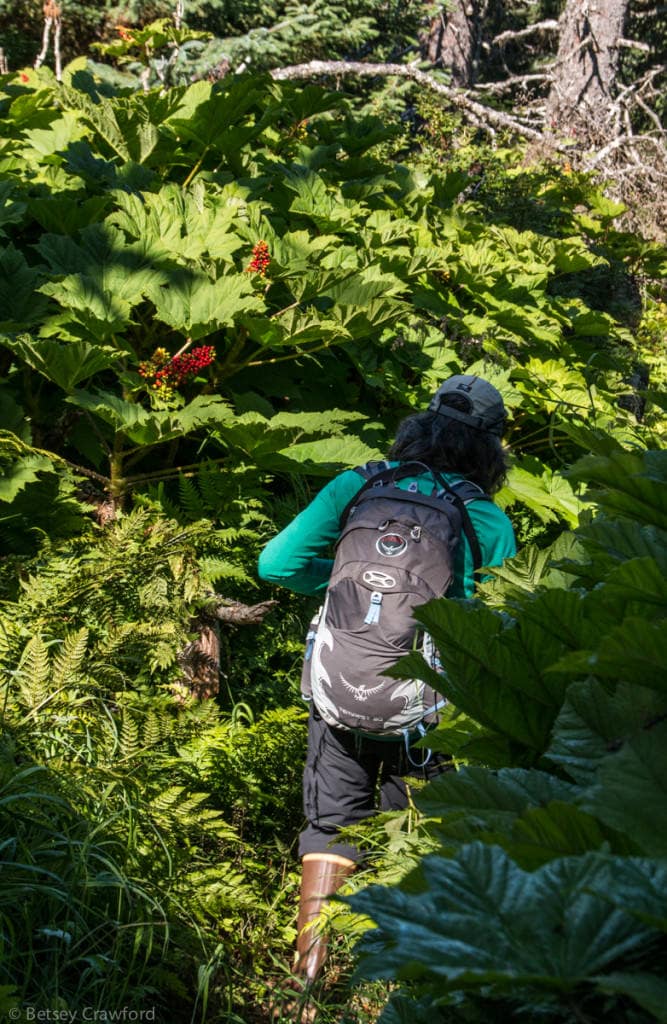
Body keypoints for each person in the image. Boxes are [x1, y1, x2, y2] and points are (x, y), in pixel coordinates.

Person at [258, 374, 516, 993]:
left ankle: (307, 987)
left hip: (341, 689)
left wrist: (345, 583)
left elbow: (275, 564)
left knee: (329, 825)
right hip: (429, 707)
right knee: (413, 836)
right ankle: (394, 991)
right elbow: (495, 627)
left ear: (419, 426)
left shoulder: (359, 484)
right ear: (490, 449)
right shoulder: (485, 519)